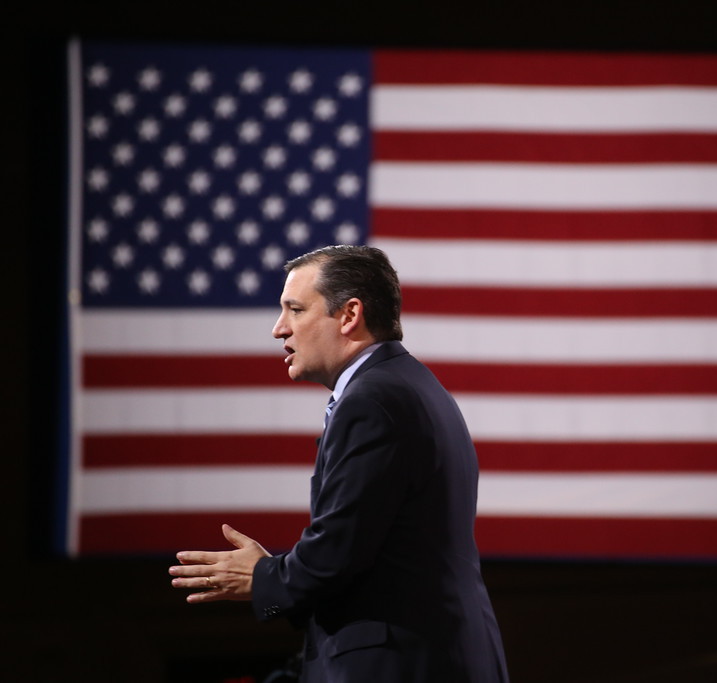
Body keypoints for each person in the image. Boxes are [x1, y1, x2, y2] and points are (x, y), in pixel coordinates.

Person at [169, 245, 510, 683]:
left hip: (400, 665)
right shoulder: (410, 386)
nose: (279, 329)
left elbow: (338, 551)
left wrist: (263, 578)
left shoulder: (374, 400)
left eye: (295, 309)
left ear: (349, 315)